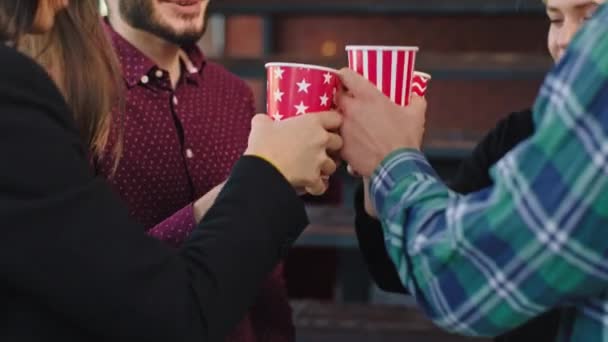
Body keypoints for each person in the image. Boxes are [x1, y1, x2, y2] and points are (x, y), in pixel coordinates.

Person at [0, 0, 343, 341]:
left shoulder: (233, 93)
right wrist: (263, 179)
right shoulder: (60, 91)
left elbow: (265, 283)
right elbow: (106, 284)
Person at [339, 1, 608, 340]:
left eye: (594, 17)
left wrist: (389, 159)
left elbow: (455, 273)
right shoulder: (516, 134)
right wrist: (375, 166)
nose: (566, 38)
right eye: (554, 19)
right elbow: (398, 270)